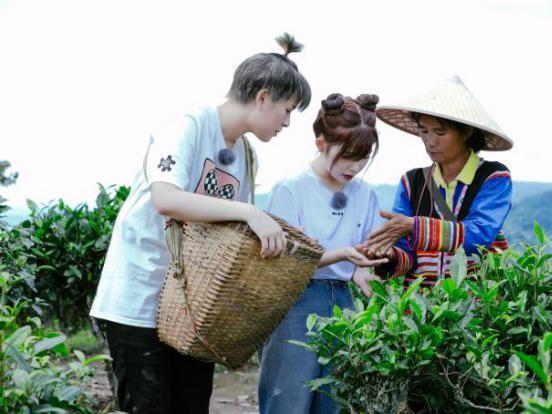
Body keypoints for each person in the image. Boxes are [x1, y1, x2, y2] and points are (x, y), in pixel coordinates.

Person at [89, 33, 311, 414]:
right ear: (262, 97)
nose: (288, 123)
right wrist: (251, 213)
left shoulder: (244, 155)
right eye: (287, 110)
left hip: (191, 311)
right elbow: (166, 199)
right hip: (137, 301)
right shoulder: (189, 125)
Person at [259, 93, 387, 414]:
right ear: (320, 144)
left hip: (343, 302)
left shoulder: (365, 193)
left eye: (363, 157)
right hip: (296, 301)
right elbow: (284, 258)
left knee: (335, 402)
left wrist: (360, 271)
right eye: (348, 156)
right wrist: (343, 255)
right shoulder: (293, 188)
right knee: (287, 399)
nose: (355, 167)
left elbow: (363, 250)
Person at [364, 76, 513, 287]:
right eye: (423, 131)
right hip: (424, 311)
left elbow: (480, 235)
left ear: (466, 131)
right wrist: (389, 255)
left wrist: (414, 226)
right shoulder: (411, 182)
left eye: (440, 132)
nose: (430, 142)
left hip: (477, 307)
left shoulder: (493, 177)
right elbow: (406, 252)